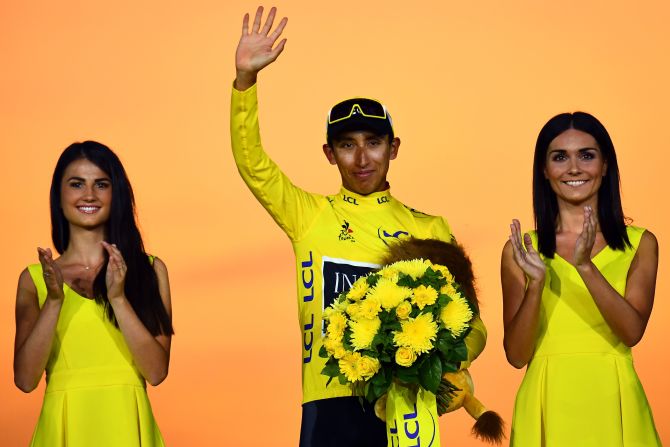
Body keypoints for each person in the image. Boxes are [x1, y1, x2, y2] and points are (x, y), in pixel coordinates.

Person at [231, 6, 486, 446]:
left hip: (405, 402)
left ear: (394, 147)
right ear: (329, 154)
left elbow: (472, 324)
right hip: (328, 401)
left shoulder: (429, 227)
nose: (362, 158)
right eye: (347, 145)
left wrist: (451, 362)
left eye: (374, 142)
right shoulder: (309, 215)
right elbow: (253, 165)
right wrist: (244, 83)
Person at [501, 112, 661, 445]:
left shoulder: (641, 243)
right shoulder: (521, 249)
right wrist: (536, 287)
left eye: (586, 155)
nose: (574, 168)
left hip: (613, 400)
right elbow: (516, 356)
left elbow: (631, 332)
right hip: (545, 398)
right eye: (560, 157)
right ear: (544, 171)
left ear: (605, 165)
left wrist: (585, 266)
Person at [13, 141, 173, 447]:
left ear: (117, 195)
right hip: (63, 427)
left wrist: (118, 299)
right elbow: (24, 379)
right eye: (76, 184)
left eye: (101, 184)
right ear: (58, 197)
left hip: (128, 423)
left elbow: (156, 372)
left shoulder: (150, 270)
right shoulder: (33, 281)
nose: (89, 195)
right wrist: (55, 301)